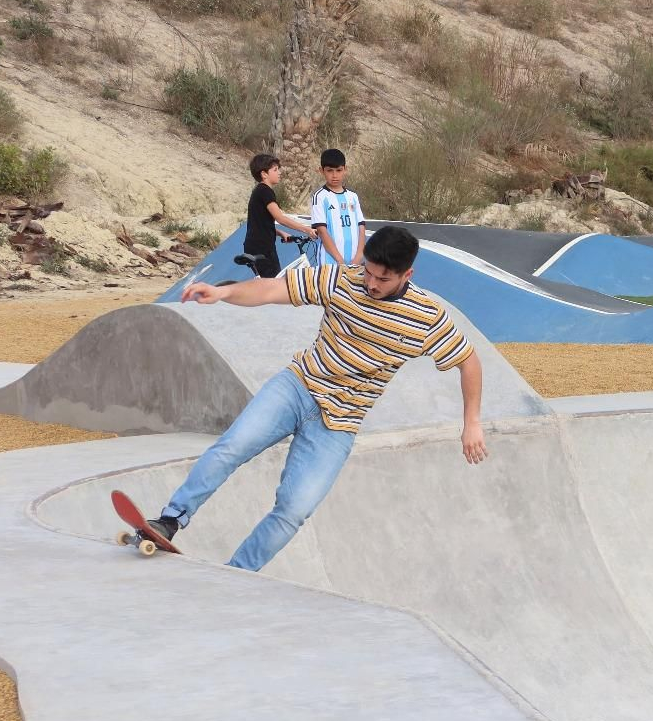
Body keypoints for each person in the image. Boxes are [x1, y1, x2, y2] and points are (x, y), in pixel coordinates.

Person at [145, 225, 487, 571]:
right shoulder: (340, 279)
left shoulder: (426, 318)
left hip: (339, 423)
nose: (369, 284)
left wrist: (471, 423)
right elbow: (272, 288)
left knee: (295, 509)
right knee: (233, 446)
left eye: (382, 280)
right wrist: (225, 293)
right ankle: (170, 521)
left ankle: (238, 573)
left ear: (407, 274)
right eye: (367, 272)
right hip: (297, 387)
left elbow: (469, 362)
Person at [244, 154, 315, 278]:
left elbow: (259, 222)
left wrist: (280, 233)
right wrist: (307, 229)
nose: (279, 173)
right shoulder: (266, 191)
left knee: (269, 285)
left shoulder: (258, 191)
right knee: (274, 286)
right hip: (262, 247)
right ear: (264, 174)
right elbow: (280, 218)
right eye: (275, 170)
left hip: (255, 245)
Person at [310, 148, 367, 270]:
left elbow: (361, 227)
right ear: (321, 171)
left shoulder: (353, 196)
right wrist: (339, 260)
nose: (334, 175)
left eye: (339, 170)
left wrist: (359, 256)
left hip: (355, 261)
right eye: (330, 171)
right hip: (331, 261)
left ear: (345, 170)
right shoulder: (319, 197)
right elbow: (322, 231)